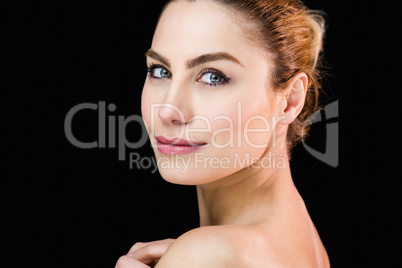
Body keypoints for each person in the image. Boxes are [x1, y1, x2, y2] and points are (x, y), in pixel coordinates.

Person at [116, 0, 330, 267]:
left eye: (213, 77)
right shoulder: (300, 234)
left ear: (290, 100)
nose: (168, 111)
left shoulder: (212, 253)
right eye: (161, 71)